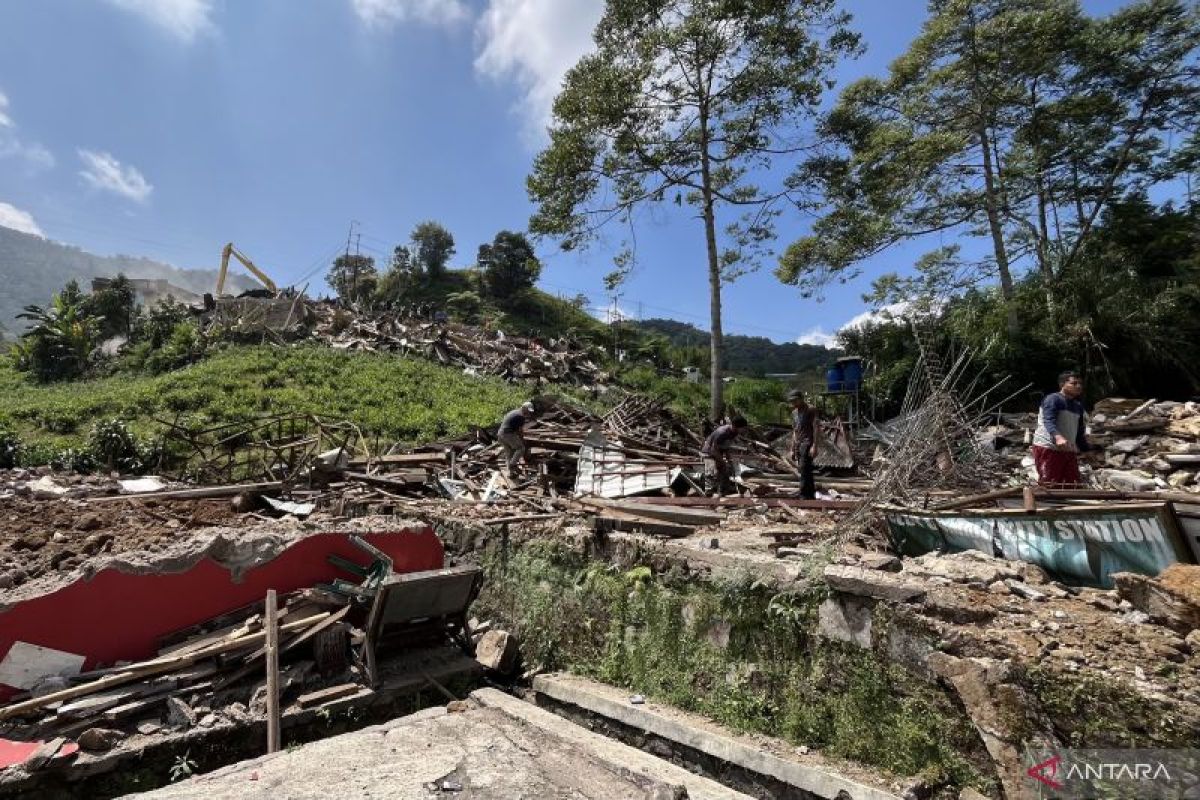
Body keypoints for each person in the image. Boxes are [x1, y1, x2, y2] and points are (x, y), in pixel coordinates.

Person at [1032, 371, 1091, 487]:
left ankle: (1069, 504)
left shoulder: (1077, 406)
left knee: (1072, 484)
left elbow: (1079, 432)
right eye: (1074, 383)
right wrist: (1058, 437)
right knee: (1049, 483)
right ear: (1062, 384)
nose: (1078, 386)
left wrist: (1086, 450)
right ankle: (1044, 504)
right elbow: (1048, 420)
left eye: (1080, 384)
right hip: (1048, 447)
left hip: (1068, 449)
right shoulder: (1053, 399)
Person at [701, 415, 749, 496]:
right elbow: (713, 449)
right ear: (736, 426)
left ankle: (722, 494)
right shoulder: (722, 432)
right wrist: (722, 461)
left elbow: (726, 446)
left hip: (718, 452)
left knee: (725, 472)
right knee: (711, 473)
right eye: (743, 428)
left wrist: (729, 459)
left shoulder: (734, 433)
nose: (744, 430)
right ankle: (708, 496)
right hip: (709, 452)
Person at [787, 389, 817, 500]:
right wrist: (792, 448)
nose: (794, 403)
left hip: (807, 442)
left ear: (801, 398)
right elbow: (794, 432)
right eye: (792, 401)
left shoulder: (810, 410)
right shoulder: (794, 413)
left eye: (795, 400)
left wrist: (815, 446)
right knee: (805, 469)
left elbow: (816, 428)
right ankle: (810, 495)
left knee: (804, 468)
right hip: (799, 443)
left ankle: (804, 495)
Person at [497, 401, 537, 477]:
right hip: (507, 434)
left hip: (500, 434)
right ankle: (512, 464)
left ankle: (511, 473)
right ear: (524, 408)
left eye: (529, 411)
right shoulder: (520, 416)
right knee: (521, 448)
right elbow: (519, 431)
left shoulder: (514, 412)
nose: (528, 413)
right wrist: (522, 440)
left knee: (509, 454)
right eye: (528, 410)